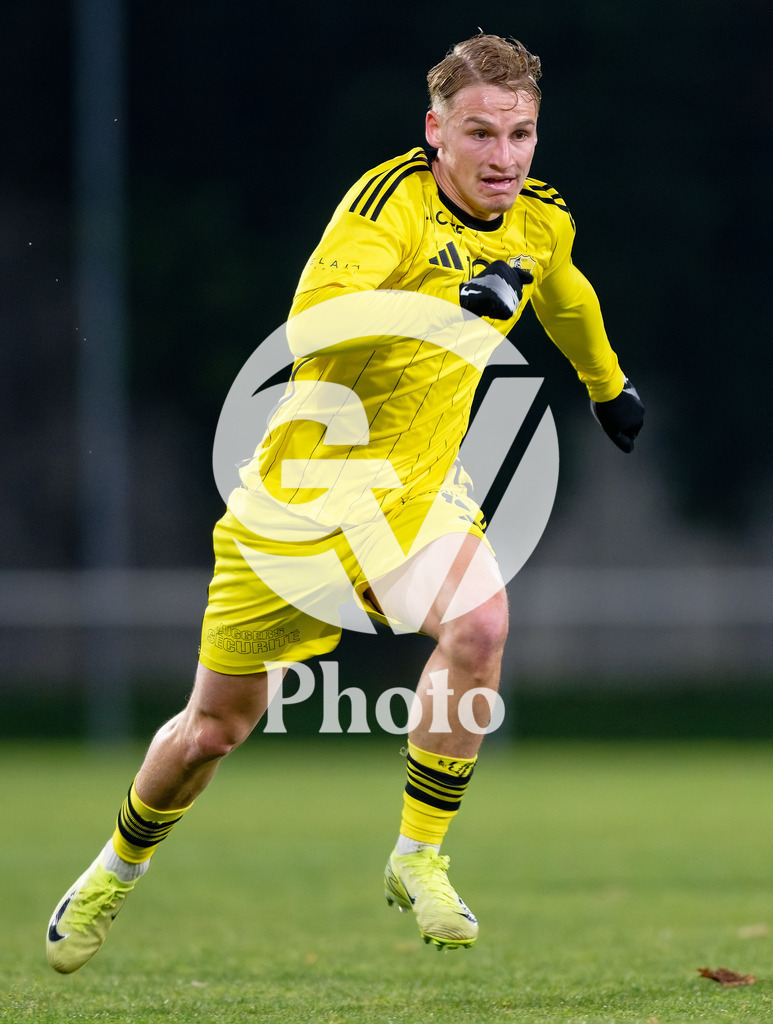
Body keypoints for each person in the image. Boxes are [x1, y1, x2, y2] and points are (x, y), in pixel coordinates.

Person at [46, 32, 644, 973]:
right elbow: (315, 333)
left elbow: (563, 295)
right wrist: (453, 306)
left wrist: (606, 386)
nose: (504, 157)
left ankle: (419, 856)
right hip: (299, 507)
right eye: (480, 134)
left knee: (481, 624)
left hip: (414, 503)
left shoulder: (539, 217)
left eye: (521, 133)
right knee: (212, 731)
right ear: (434, 131)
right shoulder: (383, 206)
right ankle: (113, 870)